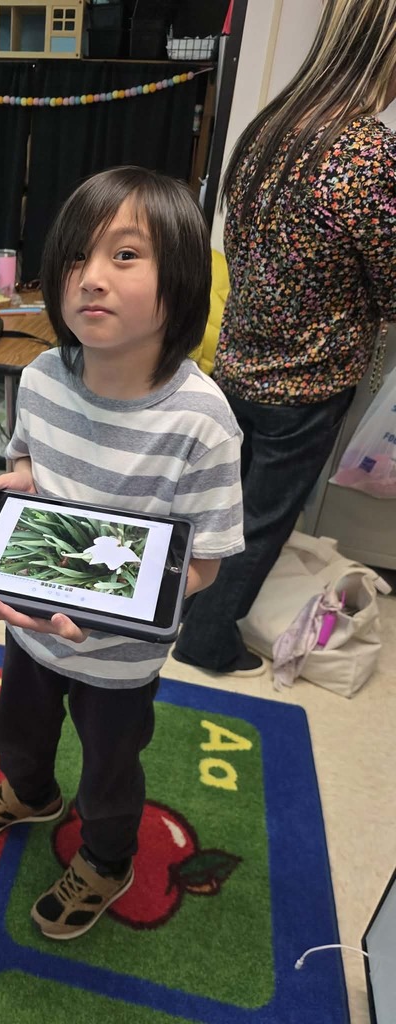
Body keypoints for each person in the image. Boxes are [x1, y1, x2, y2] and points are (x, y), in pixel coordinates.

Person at [0, 166, 244, 940]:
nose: (90, 278)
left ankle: (109, 860)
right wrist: (16, 484)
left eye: (124, 255)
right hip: (29, 622)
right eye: (76, 257)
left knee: (112, 777)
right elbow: (31, 467)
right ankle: (30, 791)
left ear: (180, 283)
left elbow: (205, 562)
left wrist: (108, 614)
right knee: (17, 731)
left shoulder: (202, 423)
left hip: (119, 658)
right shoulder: (44, 375)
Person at [172, 0, 396, 676]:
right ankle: (206, 641)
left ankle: (179, 607)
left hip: (240, 359)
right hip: (308, 382)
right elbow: (390, 283)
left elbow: (237, 242)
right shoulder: (364, 149)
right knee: (261, 523)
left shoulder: (272, 126)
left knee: (220, 509)